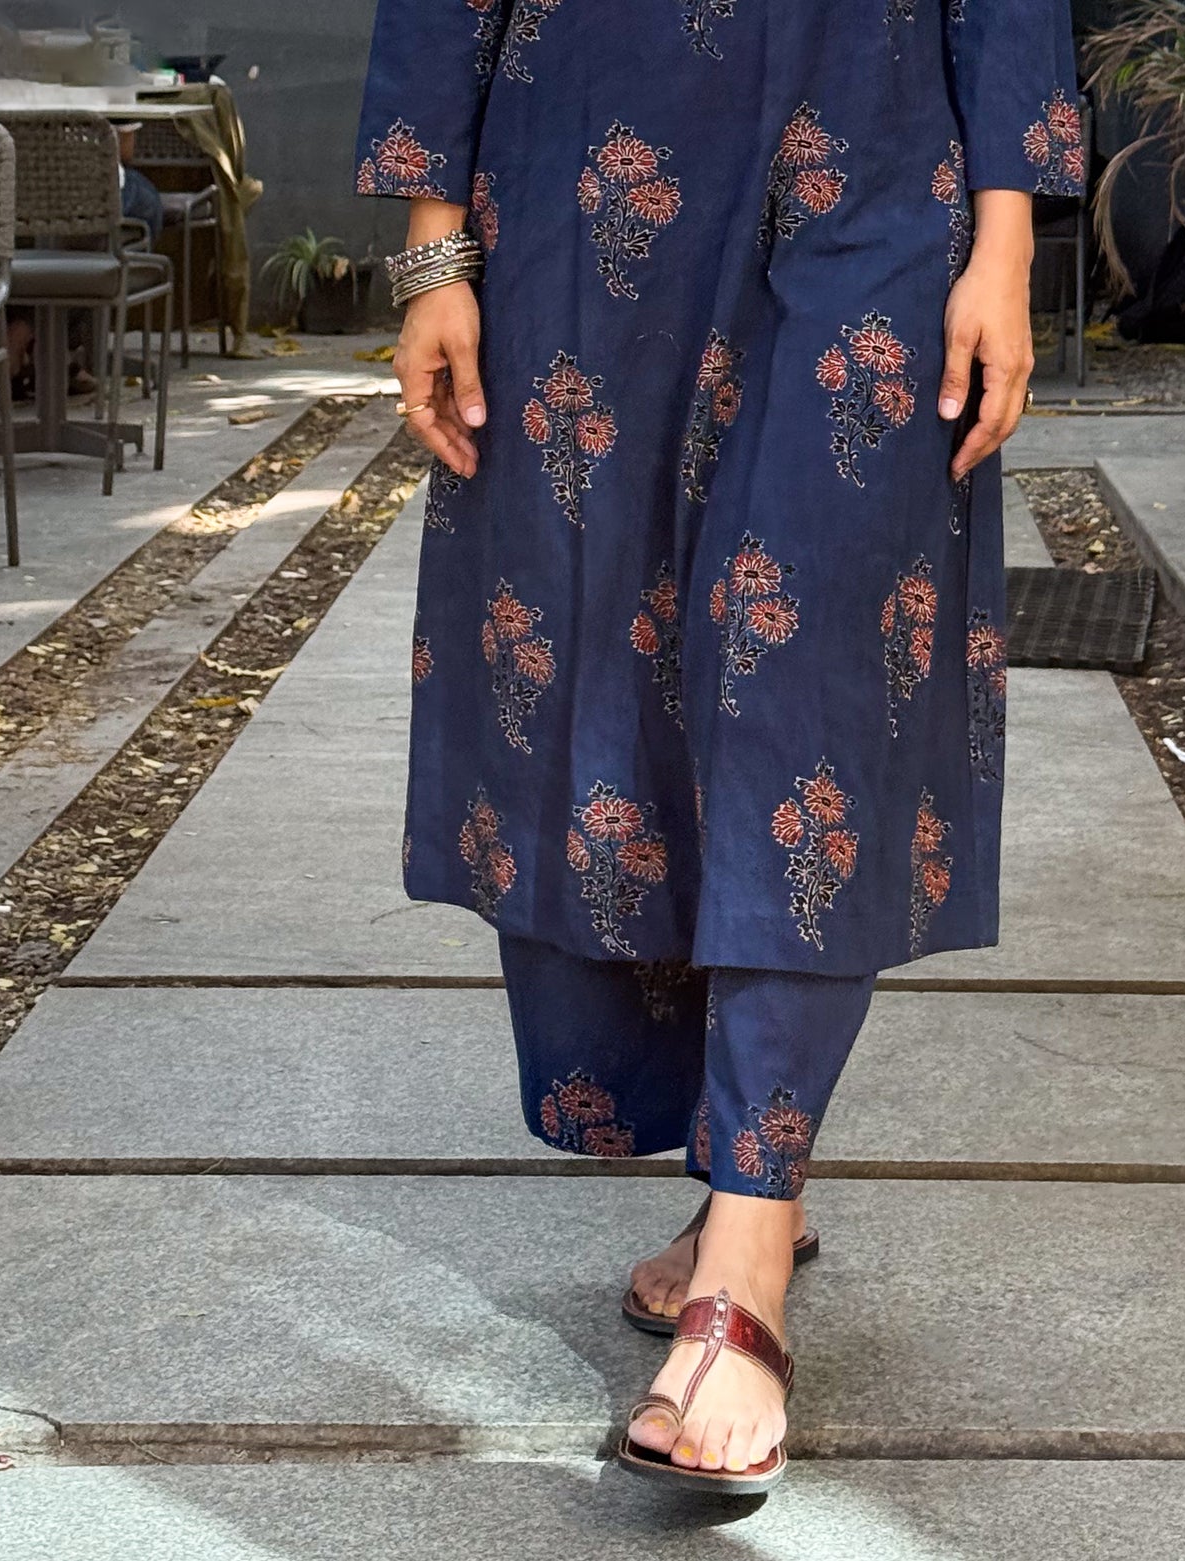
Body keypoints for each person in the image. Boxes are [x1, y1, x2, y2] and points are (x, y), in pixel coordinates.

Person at [355, 0, 1082, 1495]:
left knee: (814, 679)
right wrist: (434, 252)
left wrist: (1006, 242)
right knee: (600, 671)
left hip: (876, 162)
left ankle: (748, 1243)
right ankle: (744, 1161)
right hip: (578, 170)